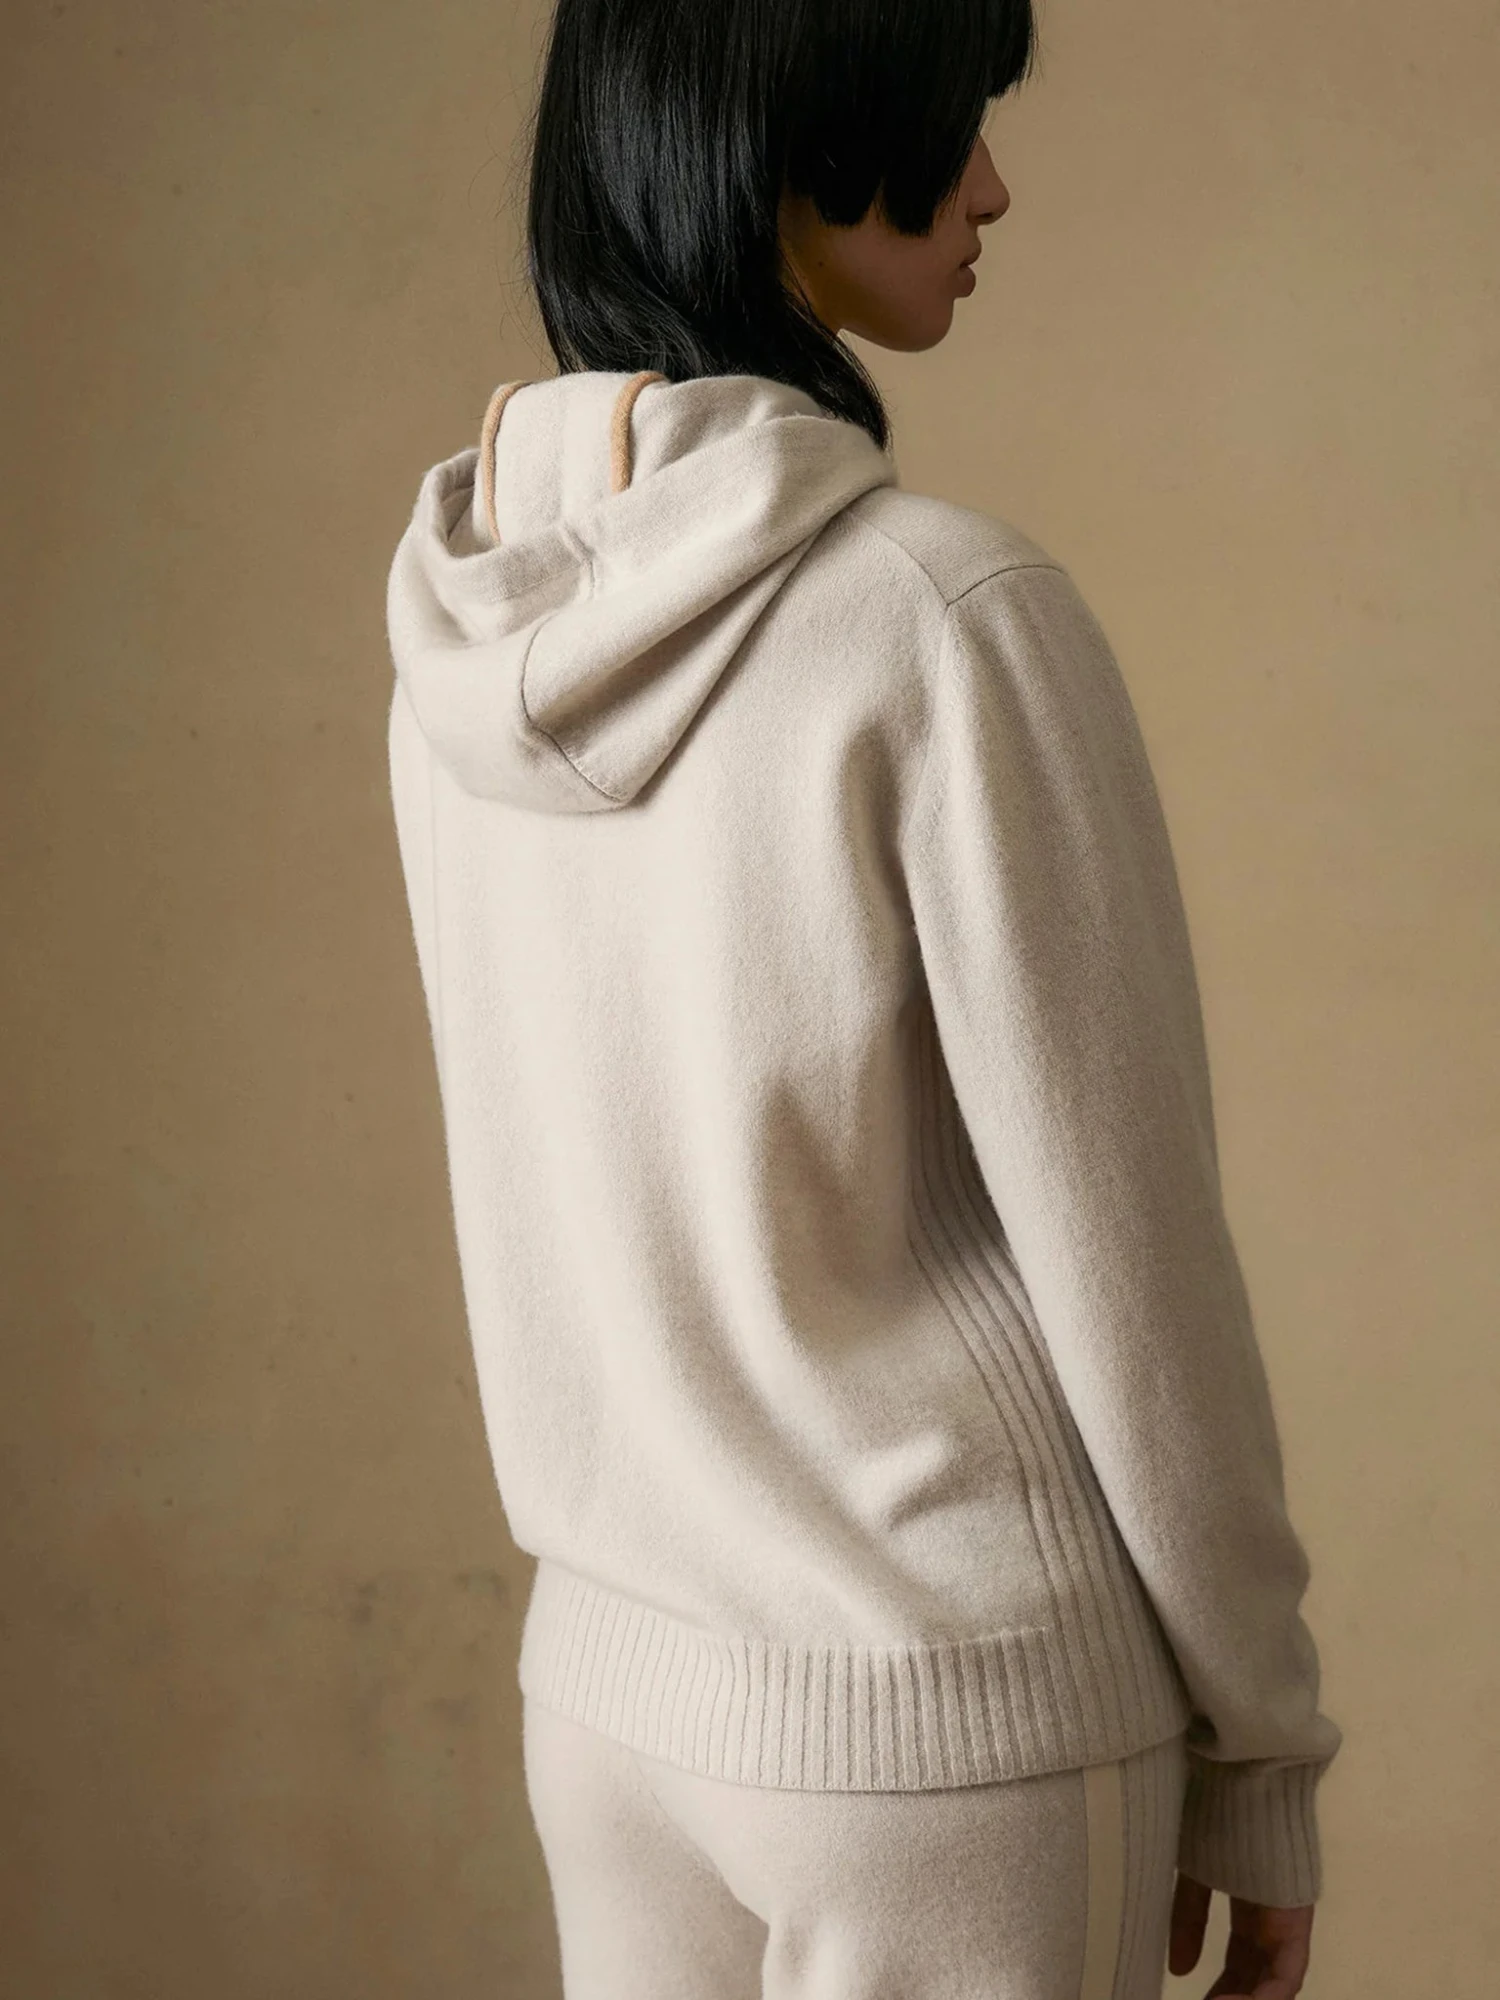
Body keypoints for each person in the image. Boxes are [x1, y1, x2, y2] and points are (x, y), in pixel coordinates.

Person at [383, 0, 1342, 1993]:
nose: (992, 189)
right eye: (950, 122)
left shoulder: (459, 650)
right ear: (800, 140)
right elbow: (1134, 1256)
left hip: (614, 1705)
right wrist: (1260, 1744)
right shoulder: (942, 616)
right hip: (951, 1724)